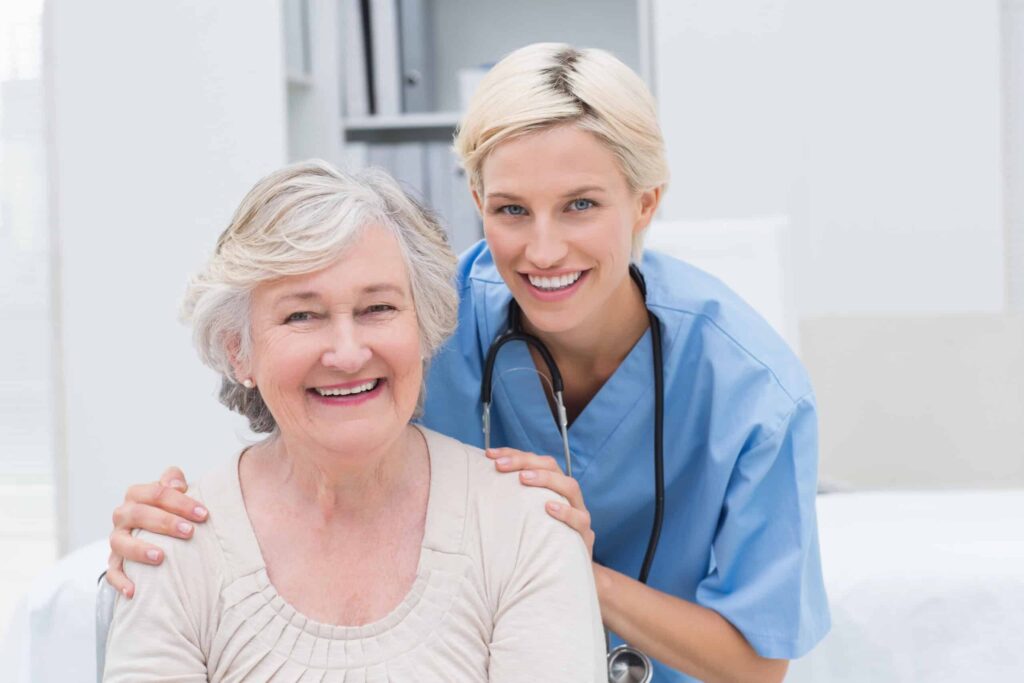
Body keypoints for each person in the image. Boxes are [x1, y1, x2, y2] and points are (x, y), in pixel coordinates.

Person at [105, 43, 830, 682]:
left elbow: (755, 661)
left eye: (580, 205)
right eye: (512, 210)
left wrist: (560, 560)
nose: (542, 250)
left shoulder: (753, 390)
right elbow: (315, 420)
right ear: (478, 200)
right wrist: (184, 522)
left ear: (645, 204)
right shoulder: (424, 319)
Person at [101, 161, 606, 681]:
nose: (346, 353)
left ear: (425, 324)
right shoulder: (173, 546)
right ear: (239, 351)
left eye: (377, 308)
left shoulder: (525, 526)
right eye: (302, 316)